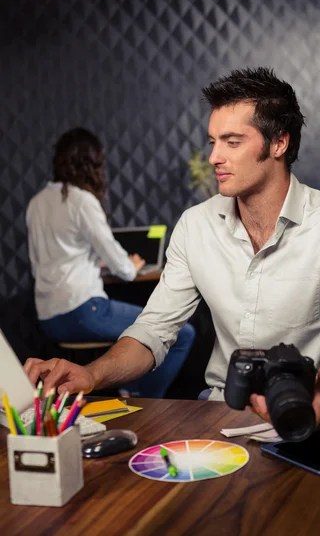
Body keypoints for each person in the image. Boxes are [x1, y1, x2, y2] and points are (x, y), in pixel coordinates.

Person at [25, 68, 320, 424]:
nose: (214, 157)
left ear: (279, 142)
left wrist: (319, 392)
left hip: (302, 419)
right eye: (213, 141)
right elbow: (152, 332)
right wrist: (91, 375)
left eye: (232, 142)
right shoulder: (195, 225)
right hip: (219, 414)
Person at [25, 127, 195, 398]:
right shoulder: (81, 200)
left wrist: (93, 264)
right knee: (182, 334)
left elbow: (40, 264)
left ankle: (131, 392)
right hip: (83, 311)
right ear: (92, 163)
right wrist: (133, 264)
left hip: (47, 318)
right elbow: (125, 270)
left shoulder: (36, 202)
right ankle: (144, 399)